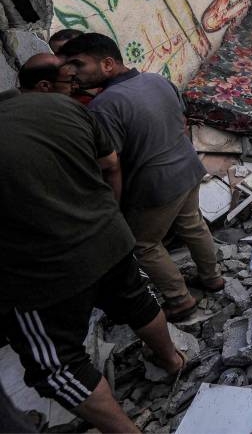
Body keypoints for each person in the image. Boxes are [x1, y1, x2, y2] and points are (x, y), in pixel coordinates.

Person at [0, 83, 184, 433]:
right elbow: (110, 163)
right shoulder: (57, 106)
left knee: (58, 366)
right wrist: (110, 215)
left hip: (41, 273)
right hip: (107, 236)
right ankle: (173, 360)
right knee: (138, 302)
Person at [61, 34, 222, 322]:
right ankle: (213, 279)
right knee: (192, 224)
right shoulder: (156, 80)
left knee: (143, 243)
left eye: (78, 64)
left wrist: (115, 207)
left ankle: (179, 299)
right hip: (188, 166)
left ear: (108, 63)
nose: (72, 73)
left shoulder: (104, 105)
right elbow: (182, 122)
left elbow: (112, 164)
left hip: (157, 184)